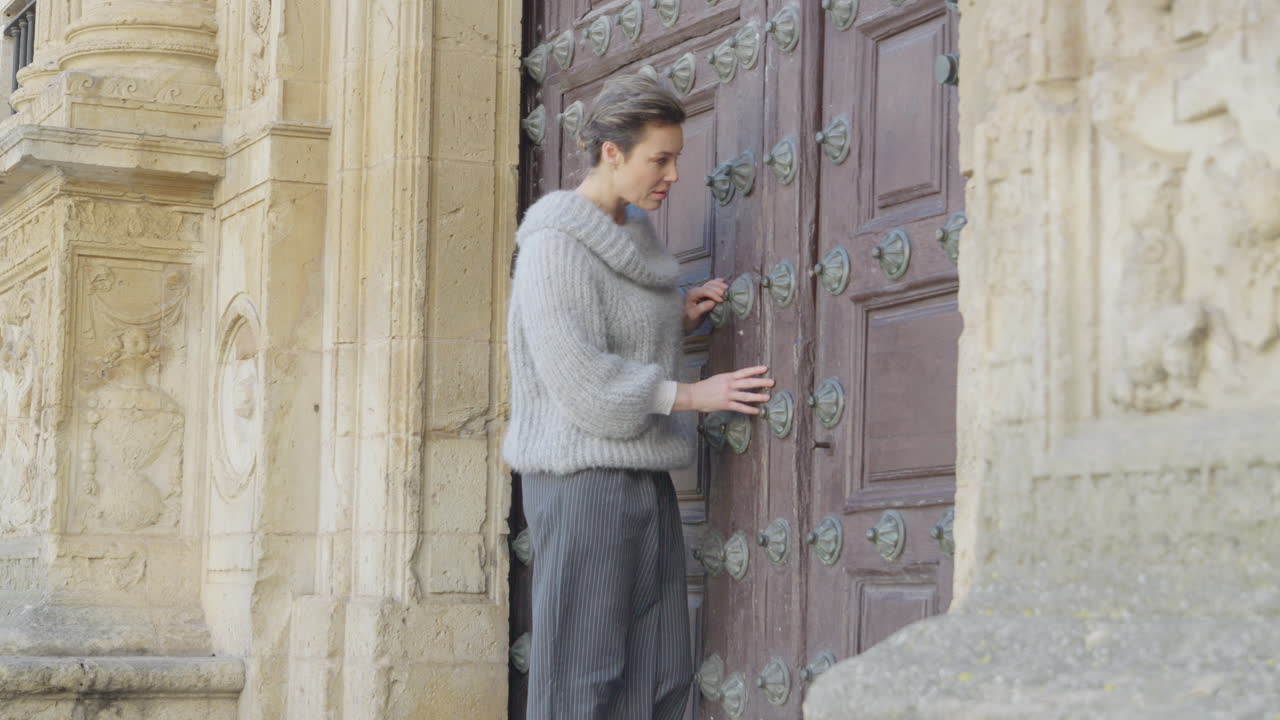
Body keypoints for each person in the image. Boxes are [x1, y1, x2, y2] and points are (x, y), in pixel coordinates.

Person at [503, 72, 774, 720]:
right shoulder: (554, 245)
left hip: (641, 475)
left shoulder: (631, 236)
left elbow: (609, 334)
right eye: (661, 158)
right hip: (580, 480)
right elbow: (583, 382)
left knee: (659, 675)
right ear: (612, 153)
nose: (674, 174)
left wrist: (678, 318)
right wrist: (693, 394)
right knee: (581, 683)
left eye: (676, 157)